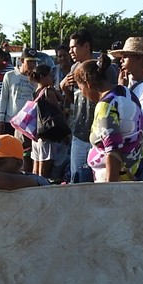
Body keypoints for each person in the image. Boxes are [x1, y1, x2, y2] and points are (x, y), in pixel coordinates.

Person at [73, 54, 143, 182]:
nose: (83, 94)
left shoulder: (105, 106)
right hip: (135, 170)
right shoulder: (127, 94)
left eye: (81, 89)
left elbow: (113, 151)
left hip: (113, 180)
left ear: (88, 84)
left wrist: (110, 189)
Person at [60, 29, 116, 183]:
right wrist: (64, 88)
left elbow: (111, 99)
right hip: (79, 133)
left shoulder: (104, 68)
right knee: (77, 179)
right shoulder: (73, 69)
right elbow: (76, 102)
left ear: (86, 46)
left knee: (98, 181)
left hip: (100, 136)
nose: (70, 51)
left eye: (73, 47)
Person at [28, 63, 66, 178]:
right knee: (45, 170)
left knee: (36, 166)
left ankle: (35, 186)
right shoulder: (48, 93)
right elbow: (59, 109)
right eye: (50, 76)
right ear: (43, 77)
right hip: (48, 134)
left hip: (37, 135)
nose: (52, 78)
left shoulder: (36, 92)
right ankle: (42, 189)